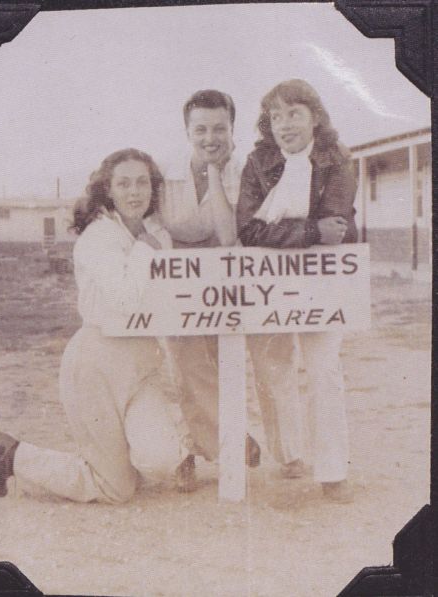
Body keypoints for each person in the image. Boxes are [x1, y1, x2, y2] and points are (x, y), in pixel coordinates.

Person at [0, 148, 193, 504]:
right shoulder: (98, 237)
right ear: (108, 190)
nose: (134, 192)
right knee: (116, 489)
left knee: (160, 462)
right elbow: (125, 300)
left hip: (141, 364)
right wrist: (145, 248)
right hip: (95, 365)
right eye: (124, 183)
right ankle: (16, 456)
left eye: (142, 182)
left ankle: (136, 454)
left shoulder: (158, 232)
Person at [237, 79, 357, 503]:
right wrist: (308, 230)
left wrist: (295, 233)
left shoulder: (337, 159)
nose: (284, 125)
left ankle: (332, 470)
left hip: (321, 281)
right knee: (273, 367)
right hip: (268, 281)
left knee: (324, 370)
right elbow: (248, 229)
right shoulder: (257, 162)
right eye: (275, 116)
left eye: (294, 114)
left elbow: (336, 227)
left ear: (315, 117)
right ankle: (289, 456)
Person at [160, 89, 261, 478]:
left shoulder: (243, 172)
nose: (210, 138)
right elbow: (156, 230)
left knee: (222, 364)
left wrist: (216, 174)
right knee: (185, 368)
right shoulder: (165, 170)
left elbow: (225, 233)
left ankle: (223, 436)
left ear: (232, 130)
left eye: (220, 129)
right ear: (187, 130)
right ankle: (197, 448)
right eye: (200, 129)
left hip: (222, 277)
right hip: (175, 275)